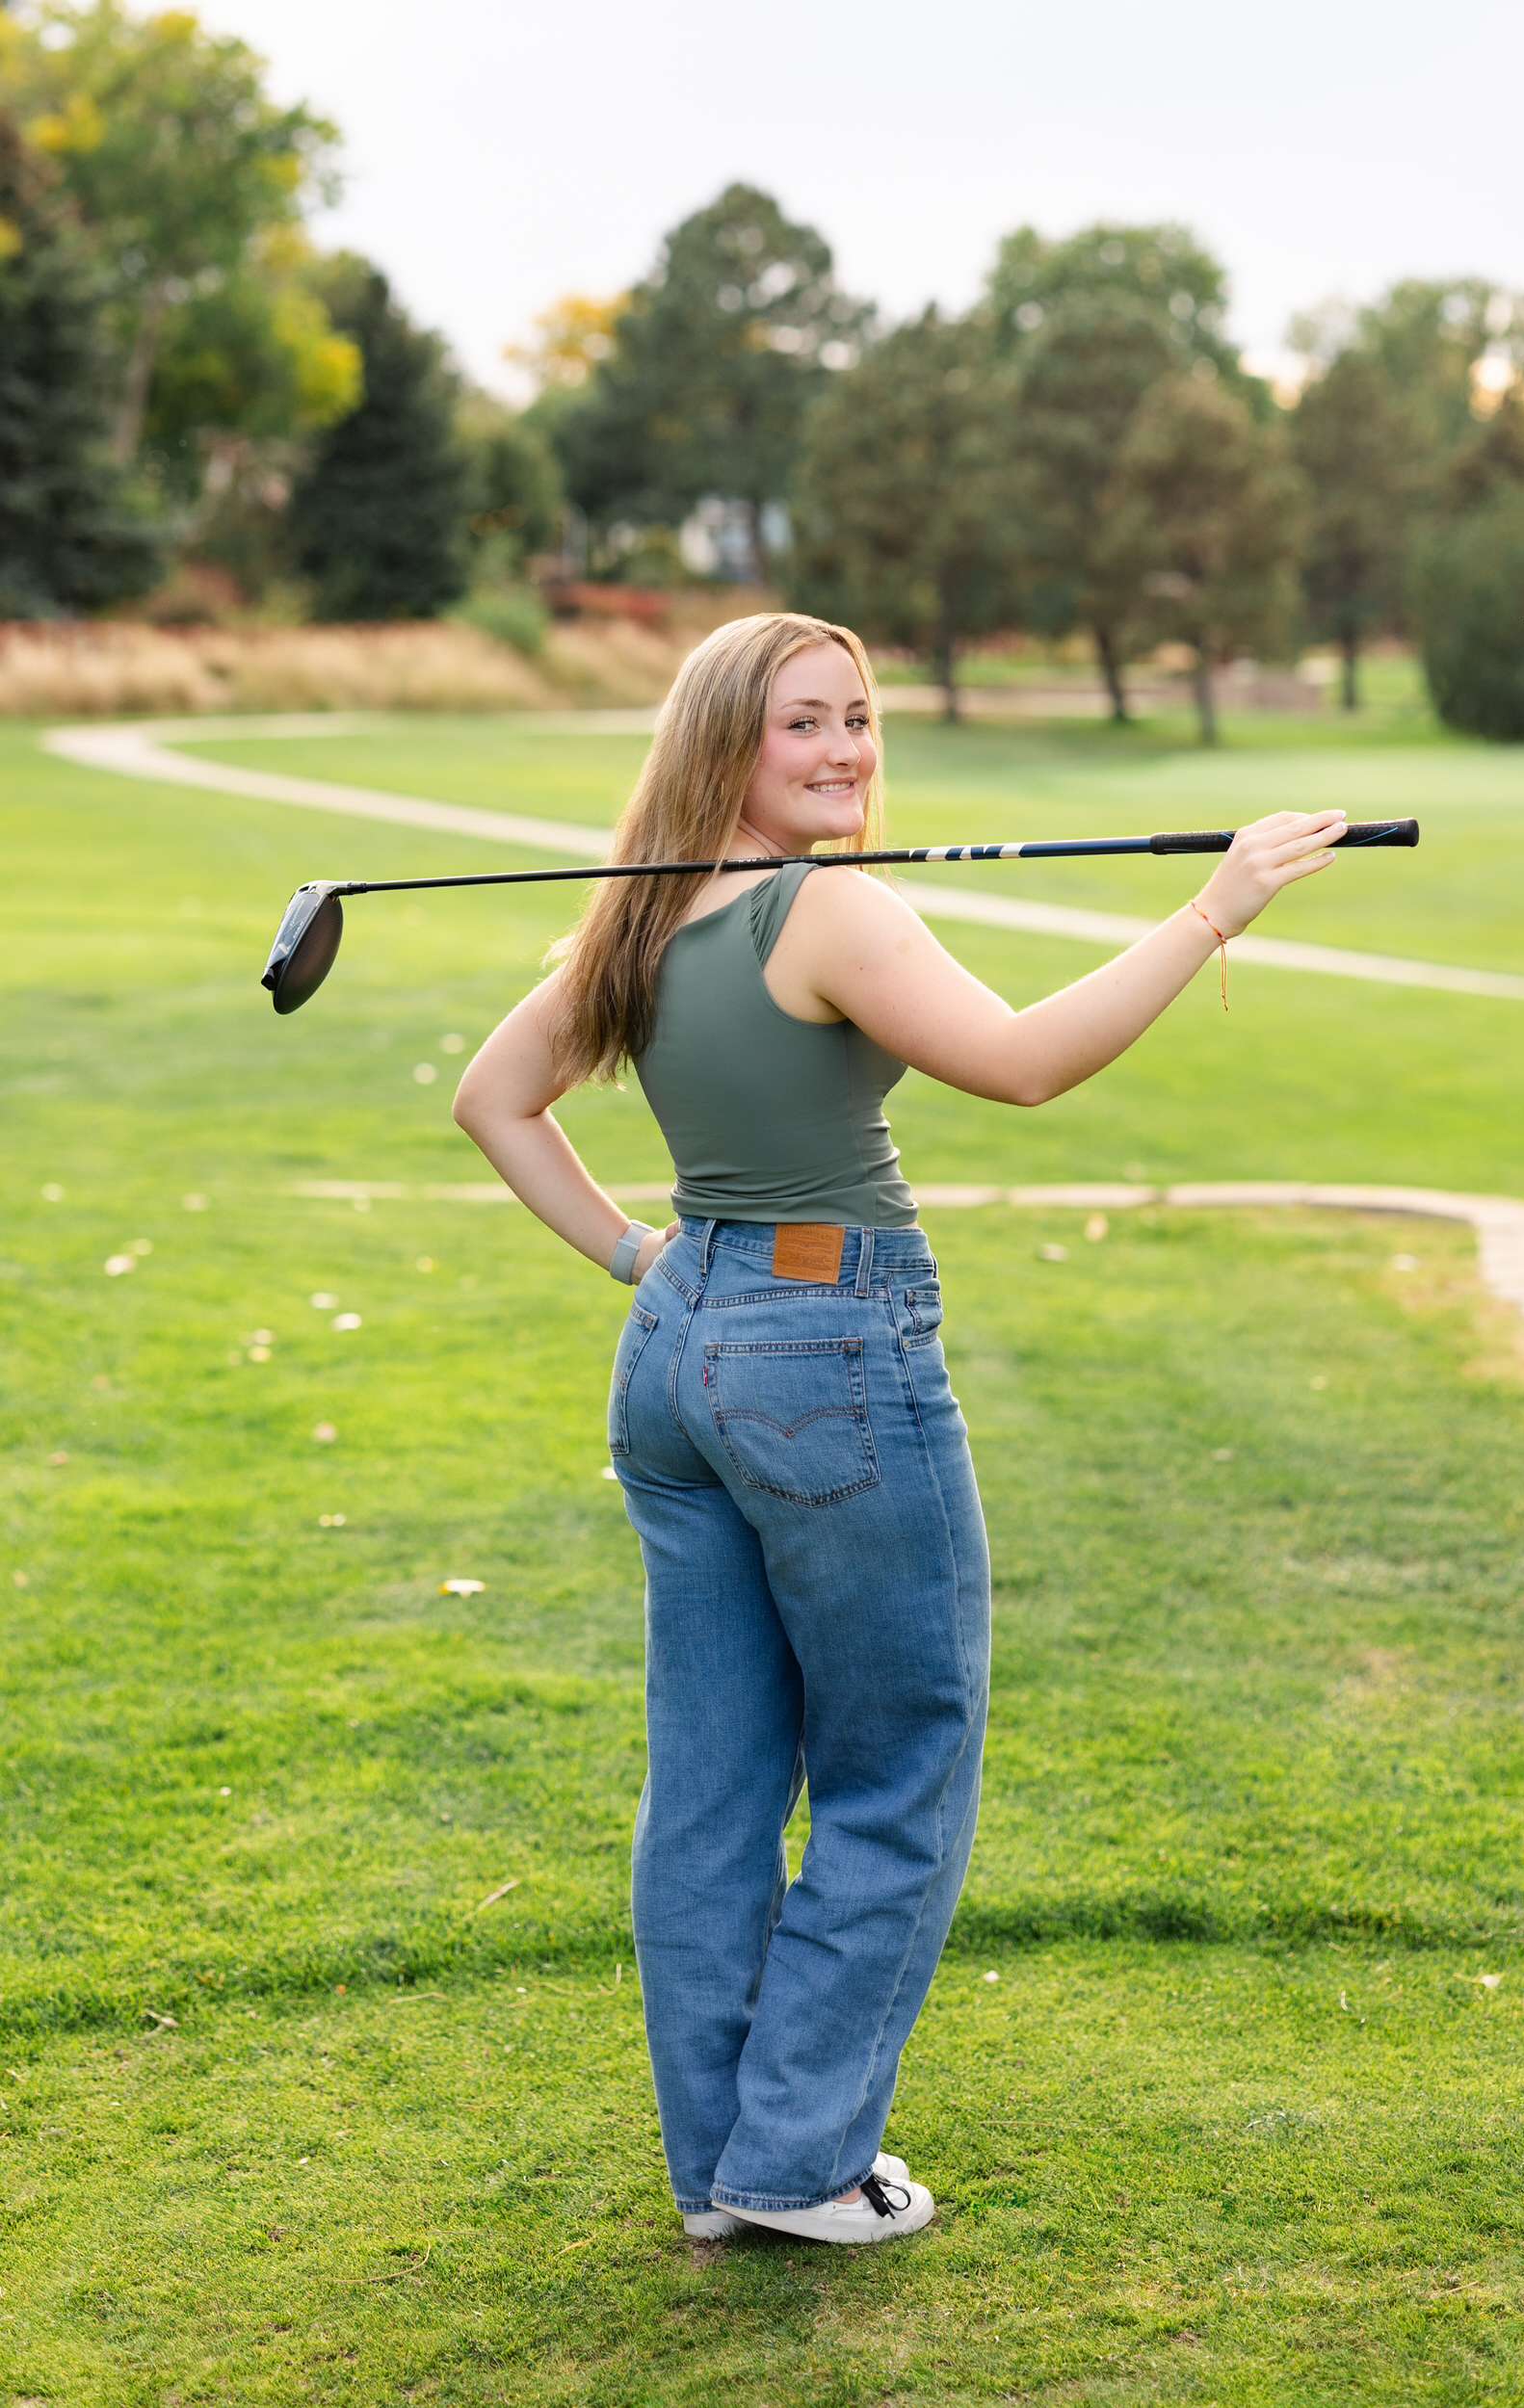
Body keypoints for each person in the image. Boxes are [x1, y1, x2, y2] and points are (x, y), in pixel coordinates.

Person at [452, 611, 1345, 2247]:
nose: (846, 750)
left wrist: (649, 1262)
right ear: (726, 741)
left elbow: (493, 1101)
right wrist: (1213, 910)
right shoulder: (826, 910)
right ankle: (797, 2163)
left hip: (682, 1348)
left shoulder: (641, 915)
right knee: (898, 1761)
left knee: (713, 1784)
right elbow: (1022, 1064)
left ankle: (724, 2172)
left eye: (858, 717)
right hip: (825, 1346)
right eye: (803, 722)